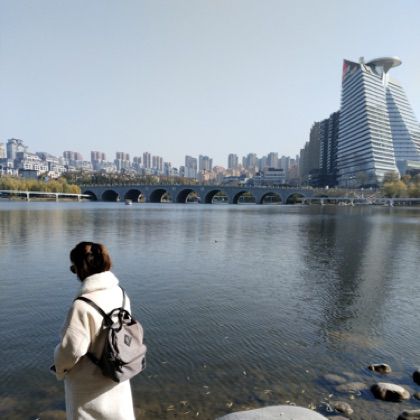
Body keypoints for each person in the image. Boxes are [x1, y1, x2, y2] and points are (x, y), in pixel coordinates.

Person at [53, 242, 136, 420]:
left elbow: (71, 351)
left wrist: (59, 369)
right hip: (117, 375)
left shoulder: (82, 306)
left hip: (88, 387)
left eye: (73, 268)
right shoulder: (121, 294)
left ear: (81, 268)